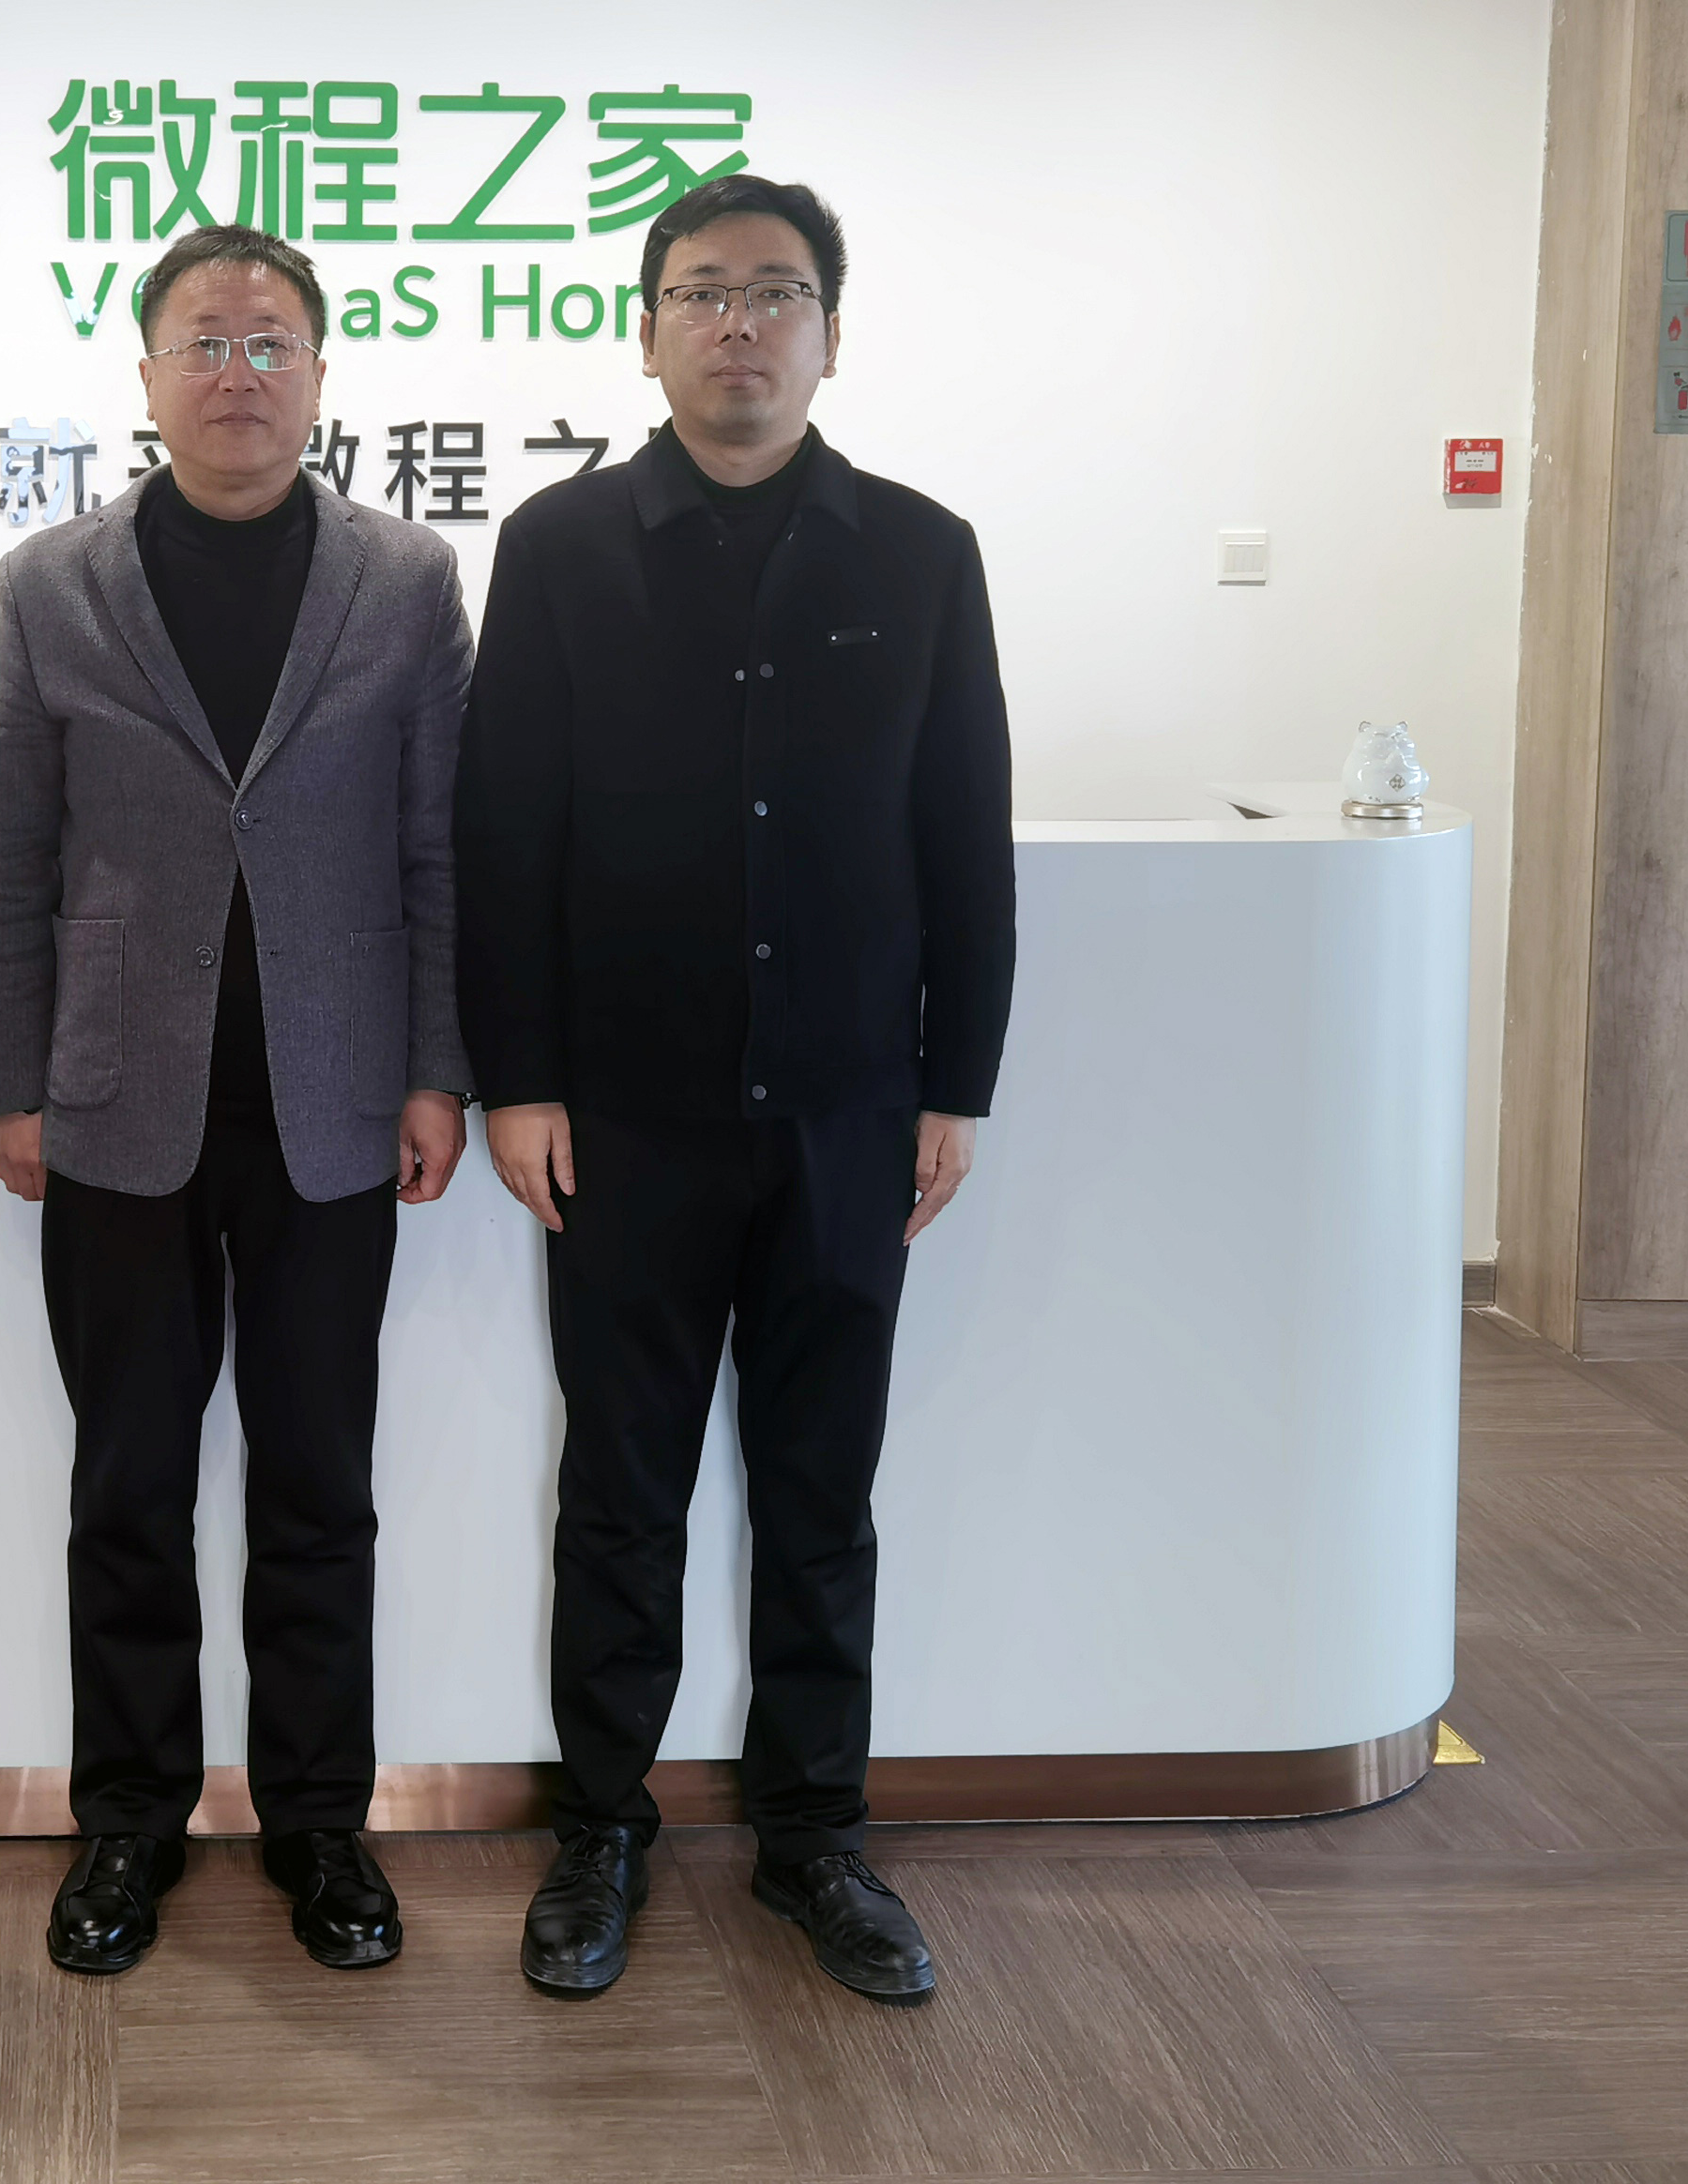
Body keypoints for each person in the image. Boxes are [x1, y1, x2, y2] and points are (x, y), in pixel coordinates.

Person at [454, 174, 1015, 2007]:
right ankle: (601, 1829)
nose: (738, 326)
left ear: (828, 335)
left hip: (850, 1115)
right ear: (647, 332)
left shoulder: (919, 554)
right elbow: (504, 831)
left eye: (775, 293)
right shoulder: (557, 547)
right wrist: (517, 1077)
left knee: (818, 1492)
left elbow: (964, 837)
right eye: (701, 292)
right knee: (619, 1495)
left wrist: (955, 1080)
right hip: (622, 1119)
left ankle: (812, 1837)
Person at [0, 221, 474, 1979]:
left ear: (320, 373)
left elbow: (440, 849)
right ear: (148, 375)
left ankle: (322, 1823)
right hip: (116, 1102)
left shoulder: (406, 580)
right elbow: (12, 861)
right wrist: (15, 1084)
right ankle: (129, 1821)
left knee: (320, 1481)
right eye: (206, 340)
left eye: (271, 342)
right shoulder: (53, 583)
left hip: (334, 1106)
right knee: (128, 1483)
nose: (238, 371)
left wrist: (437, 1067)